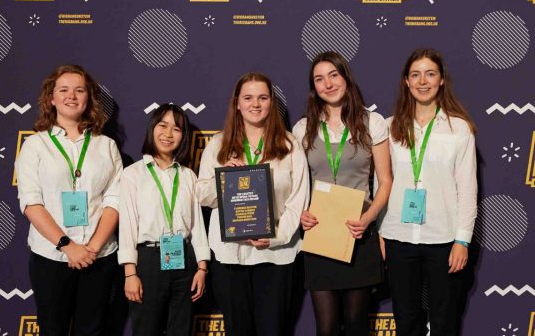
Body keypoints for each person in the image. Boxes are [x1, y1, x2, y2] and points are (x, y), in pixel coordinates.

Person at [196, 72, 309, 336]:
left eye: (262, 97)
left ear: (272, 102)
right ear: (237, 103)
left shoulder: (289, 145)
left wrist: (276, 237)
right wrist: (223, 178)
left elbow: (298, 201)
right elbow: (202, 195)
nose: (255, 104)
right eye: (247, 98)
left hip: (277, 256)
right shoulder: (218, 145)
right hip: (229, 255)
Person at [16, 64, 123, 335]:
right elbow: (31, 202)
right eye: (63, 90)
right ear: (51, 98)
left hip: (98, 256)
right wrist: (67, 246)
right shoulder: (35, 145)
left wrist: (93, 247)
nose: (71, 96)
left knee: (92, 329)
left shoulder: (106, 146)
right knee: (53, 329)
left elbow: (115, 200)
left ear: (88, 98)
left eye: (79, 90)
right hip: (50, 256)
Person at [292, 51, 392, 336]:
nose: (328, 84)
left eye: (333, 75)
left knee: (357, 326)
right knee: (326, 328)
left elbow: (385, 182)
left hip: (358, 235)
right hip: (320, 236)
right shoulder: (302, 128)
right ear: (314, 87)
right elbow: (295, 184)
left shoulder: (372, 122)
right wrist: (301, 214)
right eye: (319, 79)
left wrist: (369, 218)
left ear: (345, 78)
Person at [380, 48, 477, 336]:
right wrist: (381, 230)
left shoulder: (459, 129)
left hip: (444, 238)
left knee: (444, 320)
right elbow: (380, 184)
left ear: (442, 80)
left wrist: (463, 240)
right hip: (398, 236)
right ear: (406, 82)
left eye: (430, 74)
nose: (423, 81)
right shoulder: (388, 127)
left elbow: (468, 190)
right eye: (416, 74)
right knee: (406, 318)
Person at [118, 104, 210, 336]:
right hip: (148, 260)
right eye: (163, 126)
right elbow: (127, 225)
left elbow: (197, 224)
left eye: (177, 129)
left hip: (184, 259)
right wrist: (130, 273)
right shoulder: (133, 174)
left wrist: (202, 267)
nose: (168, 134)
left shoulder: (188, 175)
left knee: (181, 330)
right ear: (152, 129)